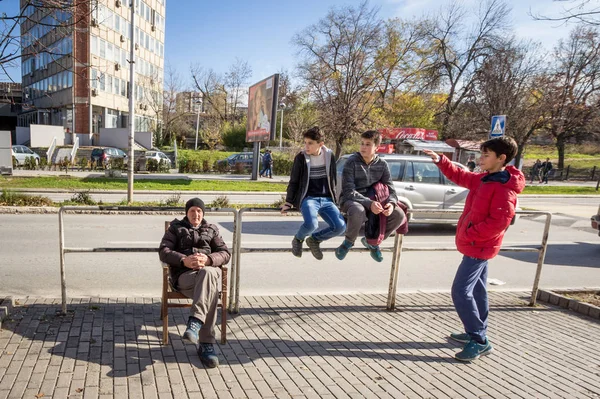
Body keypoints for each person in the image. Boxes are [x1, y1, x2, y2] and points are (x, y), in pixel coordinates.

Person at [422, 136, 525, 362]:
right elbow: (463, 176)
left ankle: (479, 341)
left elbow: (499, 223)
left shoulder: (503, 188)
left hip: (478, 247)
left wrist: (469, 234)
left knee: (460, 291)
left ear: (501, 158)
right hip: (476, 246)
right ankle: (476, 333)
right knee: (478, 291)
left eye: (486, 155)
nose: (481, 159)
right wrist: (441, 160)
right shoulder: (487, 179)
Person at [159, 198, 230, 368]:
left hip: (206, 275)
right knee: (211, 287)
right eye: (192, 211)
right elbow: (164, 251)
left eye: (199, 211)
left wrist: (208, 259)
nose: (195, 214)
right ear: (187, 213)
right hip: (185, 278)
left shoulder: (211, 229)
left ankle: (195, 324)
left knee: (208, 273)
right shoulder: (175, 229)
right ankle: (206, 344)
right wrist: (184, 260)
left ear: (203, 213)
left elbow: (225, 253)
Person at [335, 130, 405, 262]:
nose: (363, 147)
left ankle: (373, 242)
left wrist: (391, 203)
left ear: (376, 147)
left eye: (368, 144)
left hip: (375, 200)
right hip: (351, 200)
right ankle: (348, 243)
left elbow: (391, 190)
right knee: (358, 210)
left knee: (399, 214)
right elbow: (349, 190)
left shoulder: (382, 164)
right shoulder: (352, 162)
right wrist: (369, 203)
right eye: (362, 143)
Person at [281, 126, 346, 260]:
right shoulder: (301, 157)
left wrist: (336, 200)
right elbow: (294, 181)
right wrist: (289, 201)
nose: (306, 146)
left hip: (327, 199)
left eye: (310, 143)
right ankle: (298, 239)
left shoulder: (329, 155)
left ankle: (314, 240)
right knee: (312, 224)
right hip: (309, 198)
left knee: (340, 227)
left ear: (320, 144)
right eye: (305, 142)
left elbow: (333, 179)